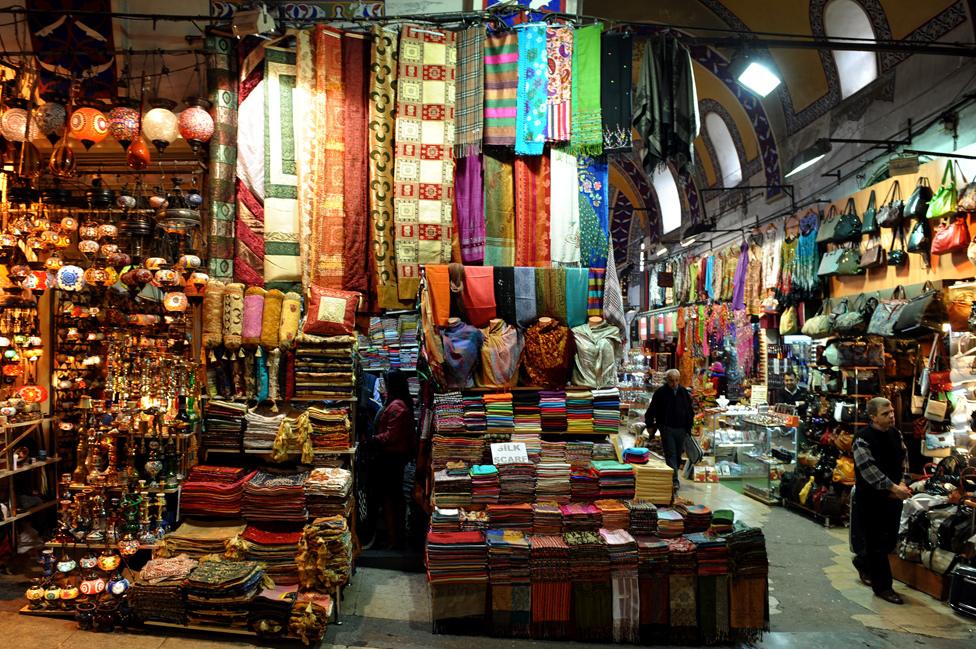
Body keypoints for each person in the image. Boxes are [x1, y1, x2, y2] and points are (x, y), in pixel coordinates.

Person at [851, 397, 911, 604]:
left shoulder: (896, 434)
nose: (891, 416)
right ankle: (883, 588)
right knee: (877, 543)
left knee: (888, 541)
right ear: (873, 416)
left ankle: (862, 561)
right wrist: (893, 488)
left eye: (892, 411)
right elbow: (869, 471)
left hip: (894, 497)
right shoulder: (862, 439)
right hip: (871, 500)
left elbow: (904, 459)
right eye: (885, 414)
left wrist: (903, 483)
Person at [371, 370, 417, 549]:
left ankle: (393, 540)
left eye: (386, 382)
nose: (383, 386)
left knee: (390, 499)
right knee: (392, 498)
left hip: (392, 459)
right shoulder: (398, 403)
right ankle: (394, 537)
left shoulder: (397, 406)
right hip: (393, 458)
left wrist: (373, 439)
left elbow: (392, 436)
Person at [645, 369, 694, 491]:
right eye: (671, 381)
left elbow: (689, 411)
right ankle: (674, 480)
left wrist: (689, 427)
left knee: (677, 455)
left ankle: (672, 475)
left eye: (676, 380)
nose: (674, 383)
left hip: (681, 429)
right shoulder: (661, 392)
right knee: (671, 454)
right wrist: (650, 424)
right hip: (667, 428)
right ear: (667, 380)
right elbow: (652, 410)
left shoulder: (683, 392)